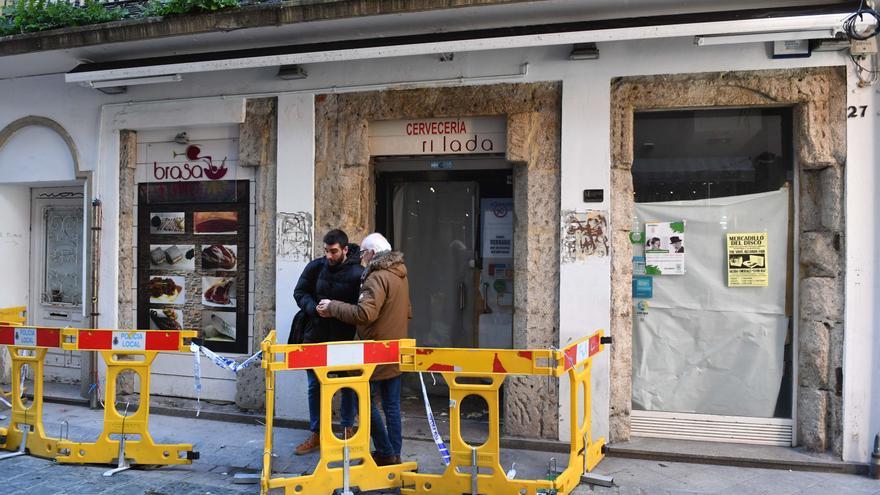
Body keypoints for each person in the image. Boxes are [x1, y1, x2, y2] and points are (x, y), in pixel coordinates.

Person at [317, 232, 410, 466]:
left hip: (376, 351)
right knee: (392, 406)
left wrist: (333, 306)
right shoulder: (400, 273)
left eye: (364, 253)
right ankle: (394, 454)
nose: (361, 258)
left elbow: (364, 313)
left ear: (372, 253)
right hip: (395, 347)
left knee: (363, 401)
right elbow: (408, 310)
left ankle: (386, 451)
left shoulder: (376, 277)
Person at [292, 229, 363, 455]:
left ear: (344, 249)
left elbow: (362, 308)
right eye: (326, 251)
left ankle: (347, 430)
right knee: (315, 385)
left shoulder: (358, 273)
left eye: (334, 251)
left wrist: (336, 310)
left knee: (348, 385)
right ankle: (317, 433)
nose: (329, 256)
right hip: (316, 335)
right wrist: (314, 309)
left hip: (344, 337)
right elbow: (300, 292)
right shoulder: (316, 266)